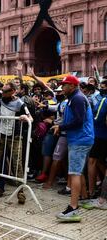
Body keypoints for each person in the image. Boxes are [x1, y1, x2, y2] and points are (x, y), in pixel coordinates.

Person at [0, 68, 33, 204]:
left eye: (6, 91)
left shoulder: (20, 103)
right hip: (1, 135)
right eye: (3, 90)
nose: (3, 93)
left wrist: (24, 116)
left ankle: (21, 194)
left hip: (15, 138)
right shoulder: (1, 95)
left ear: (13, 92)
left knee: (17, 166)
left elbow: (31, 118)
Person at [52, 75, 94, 222]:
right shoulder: (73, 98)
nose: (62, 87)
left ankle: (73, 208)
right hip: (79, 139)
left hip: (80, 140)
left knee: (74, 173)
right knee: (78, 171)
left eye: (65, 85)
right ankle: (83, 198)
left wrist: (61, 126)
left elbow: (78, 121)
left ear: (73, 86)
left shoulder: (77, 99)